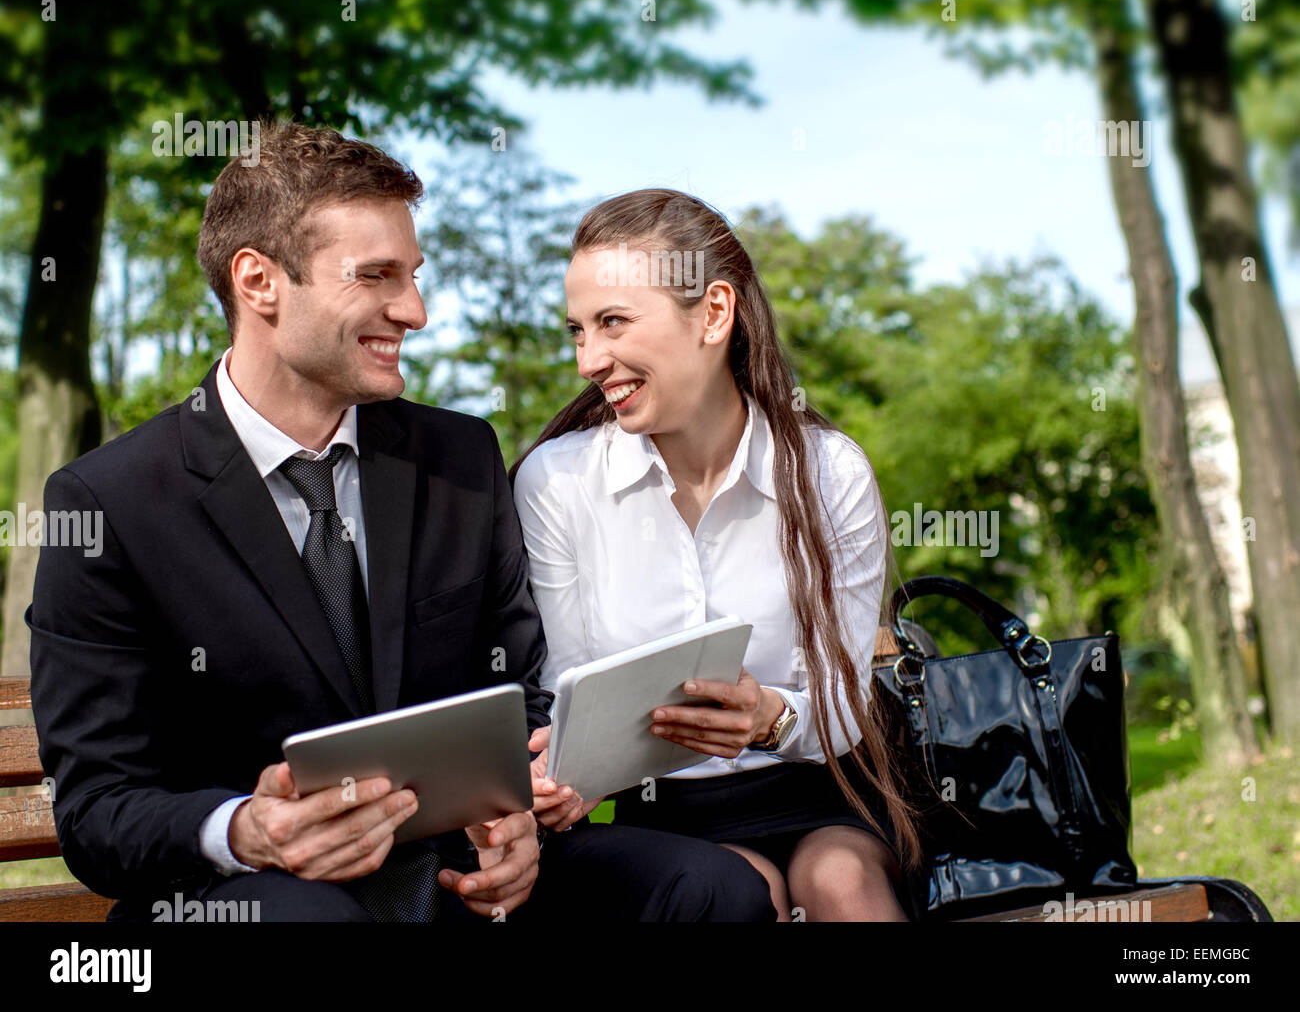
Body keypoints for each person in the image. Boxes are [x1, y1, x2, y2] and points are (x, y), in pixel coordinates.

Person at [26, 123, 776, 924]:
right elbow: (99, 810)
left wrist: (514, 818)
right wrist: (249, 831)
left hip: (457, 877)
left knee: (712, 891)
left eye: (413, 275)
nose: (413, 311)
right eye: (378, 276)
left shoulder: (459, 459)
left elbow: (520, 697)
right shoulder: (110, 503)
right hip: (243, 902)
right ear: (259, 282)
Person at [514, 188, 925, 921]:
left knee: (840, 881)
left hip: (820, 792)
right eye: (577, 330)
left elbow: (845, 706)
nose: (588, 359)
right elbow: (568, 685)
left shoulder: (829, 473)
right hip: (663, 815)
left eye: (612, 322)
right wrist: (563, 773)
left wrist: (769, 717)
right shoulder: (557, 483)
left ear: (712, 314)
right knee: (737, 890)